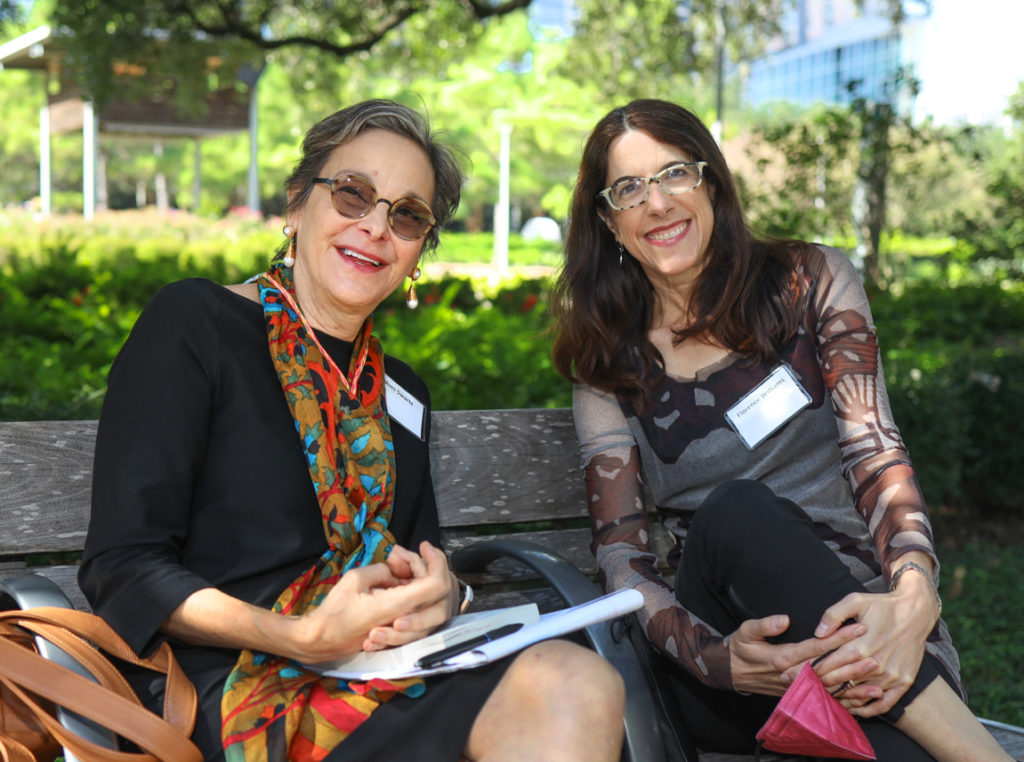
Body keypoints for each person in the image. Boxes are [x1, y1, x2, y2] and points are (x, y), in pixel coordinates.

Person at [80, 99, 625, 762]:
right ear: (295, 205)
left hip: (382, 670)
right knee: (563, 688)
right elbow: (123, 568)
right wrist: (299, 635)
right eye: (352, 194)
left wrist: (446, 593)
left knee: (576, 679)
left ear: (419, 250)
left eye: (406, 215)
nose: (374, 227)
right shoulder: (194, 325)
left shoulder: (402, 393)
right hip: (228, 682)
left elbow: (419, 560)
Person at [551, 98, 1012, 762]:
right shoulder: (607, 361)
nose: (657, 203)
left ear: (711, 183)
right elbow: (622, 558)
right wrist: (719, 660)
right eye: (629, 188)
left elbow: (875, 449)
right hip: (733, 664)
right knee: (736, 511)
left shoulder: (812, 280)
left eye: (675, 173)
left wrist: (914, 594)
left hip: (871, 618)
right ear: (607, 220)